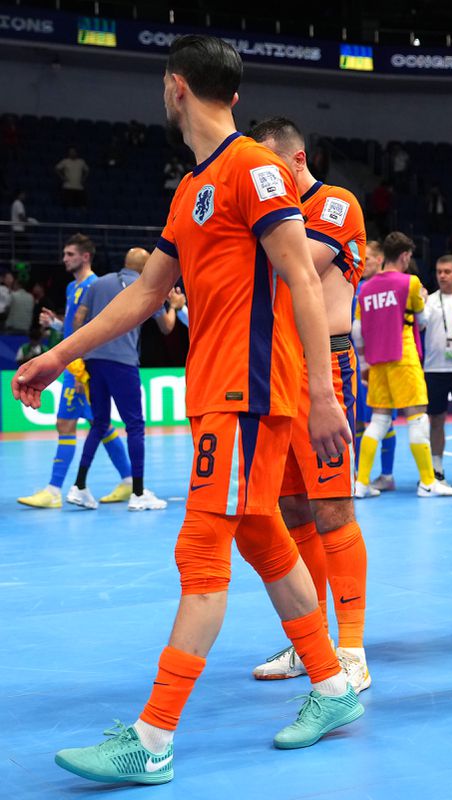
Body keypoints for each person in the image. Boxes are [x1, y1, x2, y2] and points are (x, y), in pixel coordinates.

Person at [13, 35, 361, 785]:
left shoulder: (255, 169)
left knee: (199, 552)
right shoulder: (191, 188)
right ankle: (332, 687)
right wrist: (57, 353)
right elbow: (144, 295)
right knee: (263, 534)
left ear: (174, 88)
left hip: (249, 390)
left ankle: (153, 735)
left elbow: (302, 277)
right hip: (216, 391)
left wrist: (323, 395)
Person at [246, 117, 373, 692]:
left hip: (328, 370)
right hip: (276, 369)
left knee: (332, 512)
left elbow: (289, 268)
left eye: (270, 167)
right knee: (292, 512)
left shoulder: (336, 203)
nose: (260, 180)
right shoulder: (269, 217)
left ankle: (350, 649)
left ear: (297, 161)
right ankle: (311, 642)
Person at [17, 234, 133, 509]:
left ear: (85, 257)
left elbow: (99, 331)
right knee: (99, 425)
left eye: (70, 254)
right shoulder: (72, 288)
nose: (64, 259)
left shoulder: (96, 286)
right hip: (74, 364)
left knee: (68, 424)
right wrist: (56, 325)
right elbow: (75, 331)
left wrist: (85, 369)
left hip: (82, 368)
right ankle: (128, 481)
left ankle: (54, 491)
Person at [353, 232, 452, 498]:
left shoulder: (364, 288)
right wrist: (421, 299)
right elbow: (422, 321)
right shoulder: (410, 283)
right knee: (417, 418)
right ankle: (427, 482)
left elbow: (356, 331)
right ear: (404, 256)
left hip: (376, 363)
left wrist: (365, 364)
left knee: (377, 421)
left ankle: (361, 483)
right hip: (404, 358)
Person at [70, 246, 175, 511]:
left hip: (93, 360)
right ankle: (138, 493)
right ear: (144, 268)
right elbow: (167, 327)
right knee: (135, 425)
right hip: (123, 363)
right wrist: (173, 306)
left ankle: (79, 487)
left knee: (100, 423)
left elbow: (79, 319)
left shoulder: (99, 283)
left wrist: (82, 351)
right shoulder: (144, 287)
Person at [352, 240, 400, 490]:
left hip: (382, 363)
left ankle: (387, 476)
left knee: (385, 420)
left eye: (368, 258)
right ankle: (360, 474)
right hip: (355, 364)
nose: (362, 262)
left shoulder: (394, 286)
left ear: (380, 259)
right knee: (358, 421)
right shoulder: (353, 287)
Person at [417, 254, 452, 485]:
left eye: (447, 271)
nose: (442, 276)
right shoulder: (428, 301)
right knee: (435, 419)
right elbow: (420, 324)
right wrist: (419, 302)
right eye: (439, 271)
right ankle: (437, 469)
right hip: (434, 368)